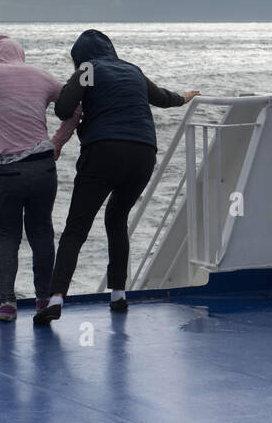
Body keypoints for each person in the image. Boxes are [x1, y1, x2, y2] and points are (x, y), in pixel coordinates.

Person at [33, 29, 198, 324]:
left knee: (76, 228)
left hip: (104, 151)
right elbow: (161, 97)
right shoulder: (132, 70)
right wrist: (183, 99)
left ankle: (56, 299)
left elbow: (63, 109)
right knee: (117, 219)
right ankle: (119, 294)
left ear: (80, 56)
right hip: (144, 153)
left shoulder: (88, 69)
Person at [0, 36, 78, 321]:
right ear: (20, 54)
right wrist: (57, 142)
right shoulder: (41, 75)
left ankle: (7, 303)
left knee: (6, 236)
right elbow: (75, 109)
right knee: (42, 233)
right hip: (43, 167)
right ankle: (44, 300)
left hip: (5, 172)